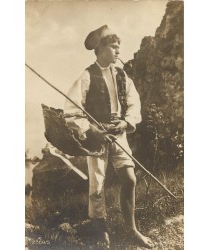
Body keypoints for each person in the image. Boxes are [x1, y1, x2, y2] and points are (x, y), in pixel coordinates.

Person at [64, 25, 154, 249]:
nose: (118, 52)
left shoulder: (122, 76)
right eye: (114, 47)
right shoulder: (86, 76)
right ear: (101, 49)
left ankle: (132, 229)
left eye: (119, 47)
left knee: (130, 179)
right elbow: (71, 111)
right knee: (97, 186)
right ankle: (100, 230)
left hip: (119, 134)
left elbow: (134, 104)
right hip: (97, 137)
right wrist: (92, 129)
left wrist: (125, 122)